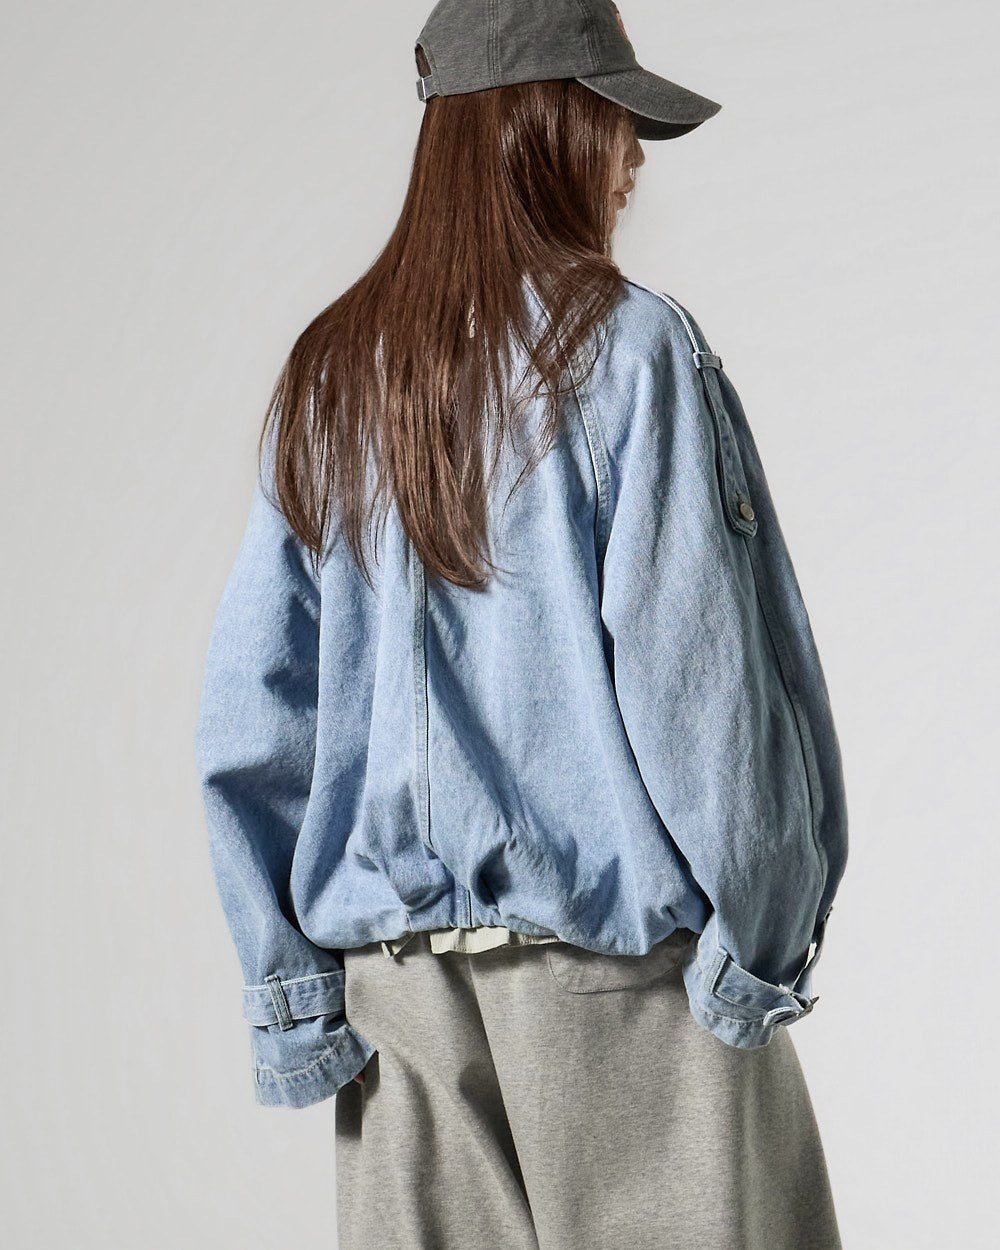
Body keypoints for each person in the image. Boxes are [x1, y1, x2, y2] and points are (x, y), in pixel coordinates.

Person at [194, 2, 849, 1247]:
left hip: (399, 1011)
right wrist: (761, 941)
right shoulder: (631, 352)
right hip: (622, 996)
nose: (633, 156)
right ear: (544, 125)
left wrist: (292, 988)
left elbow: (253, 723)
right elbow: (702, 683)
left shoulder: (333, 374)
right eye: (613, 120)